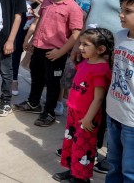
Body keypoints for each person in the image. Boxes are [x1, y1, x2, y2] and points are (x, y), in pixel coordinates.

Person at [17, 0, 84, 127]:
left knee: (53, 83)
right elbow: (39, 22)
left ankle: (49, 112)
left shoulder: (73, 8)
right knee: (36, 76)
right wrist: (32, 40)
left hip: (55, 52)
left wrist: (61, 52)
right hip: (39, 47)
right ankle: (33, 103)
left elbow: (76, 34)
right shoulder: (47, 1)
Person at [52, 28, 113, 183]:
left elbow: (98, 99)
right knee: (71, 142)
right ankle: (73, 171)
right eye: (80, 43)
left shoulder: (100, 69)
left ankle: (81, 178)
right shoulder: (85, 62)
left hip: (86, 116)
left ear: (101, 49)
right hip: (74, 111)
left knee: (83, 147)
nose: (80, 47)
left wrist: (88, 119)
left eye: (86, 45)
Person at [105, 0, 134, 182]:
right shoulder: (120, 35)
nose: (121, 14)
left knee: (130, 171)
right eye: (121, 9)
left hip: (132, 121)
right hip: (114, 110)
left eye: (128, 11)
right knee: (113, 163)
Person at [12, 0, 48, 95]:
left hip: (44, 16)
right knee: (17, 47)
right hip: (23, 14)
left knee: (39, 51)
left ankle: (37, 85)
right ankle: (14, 79)